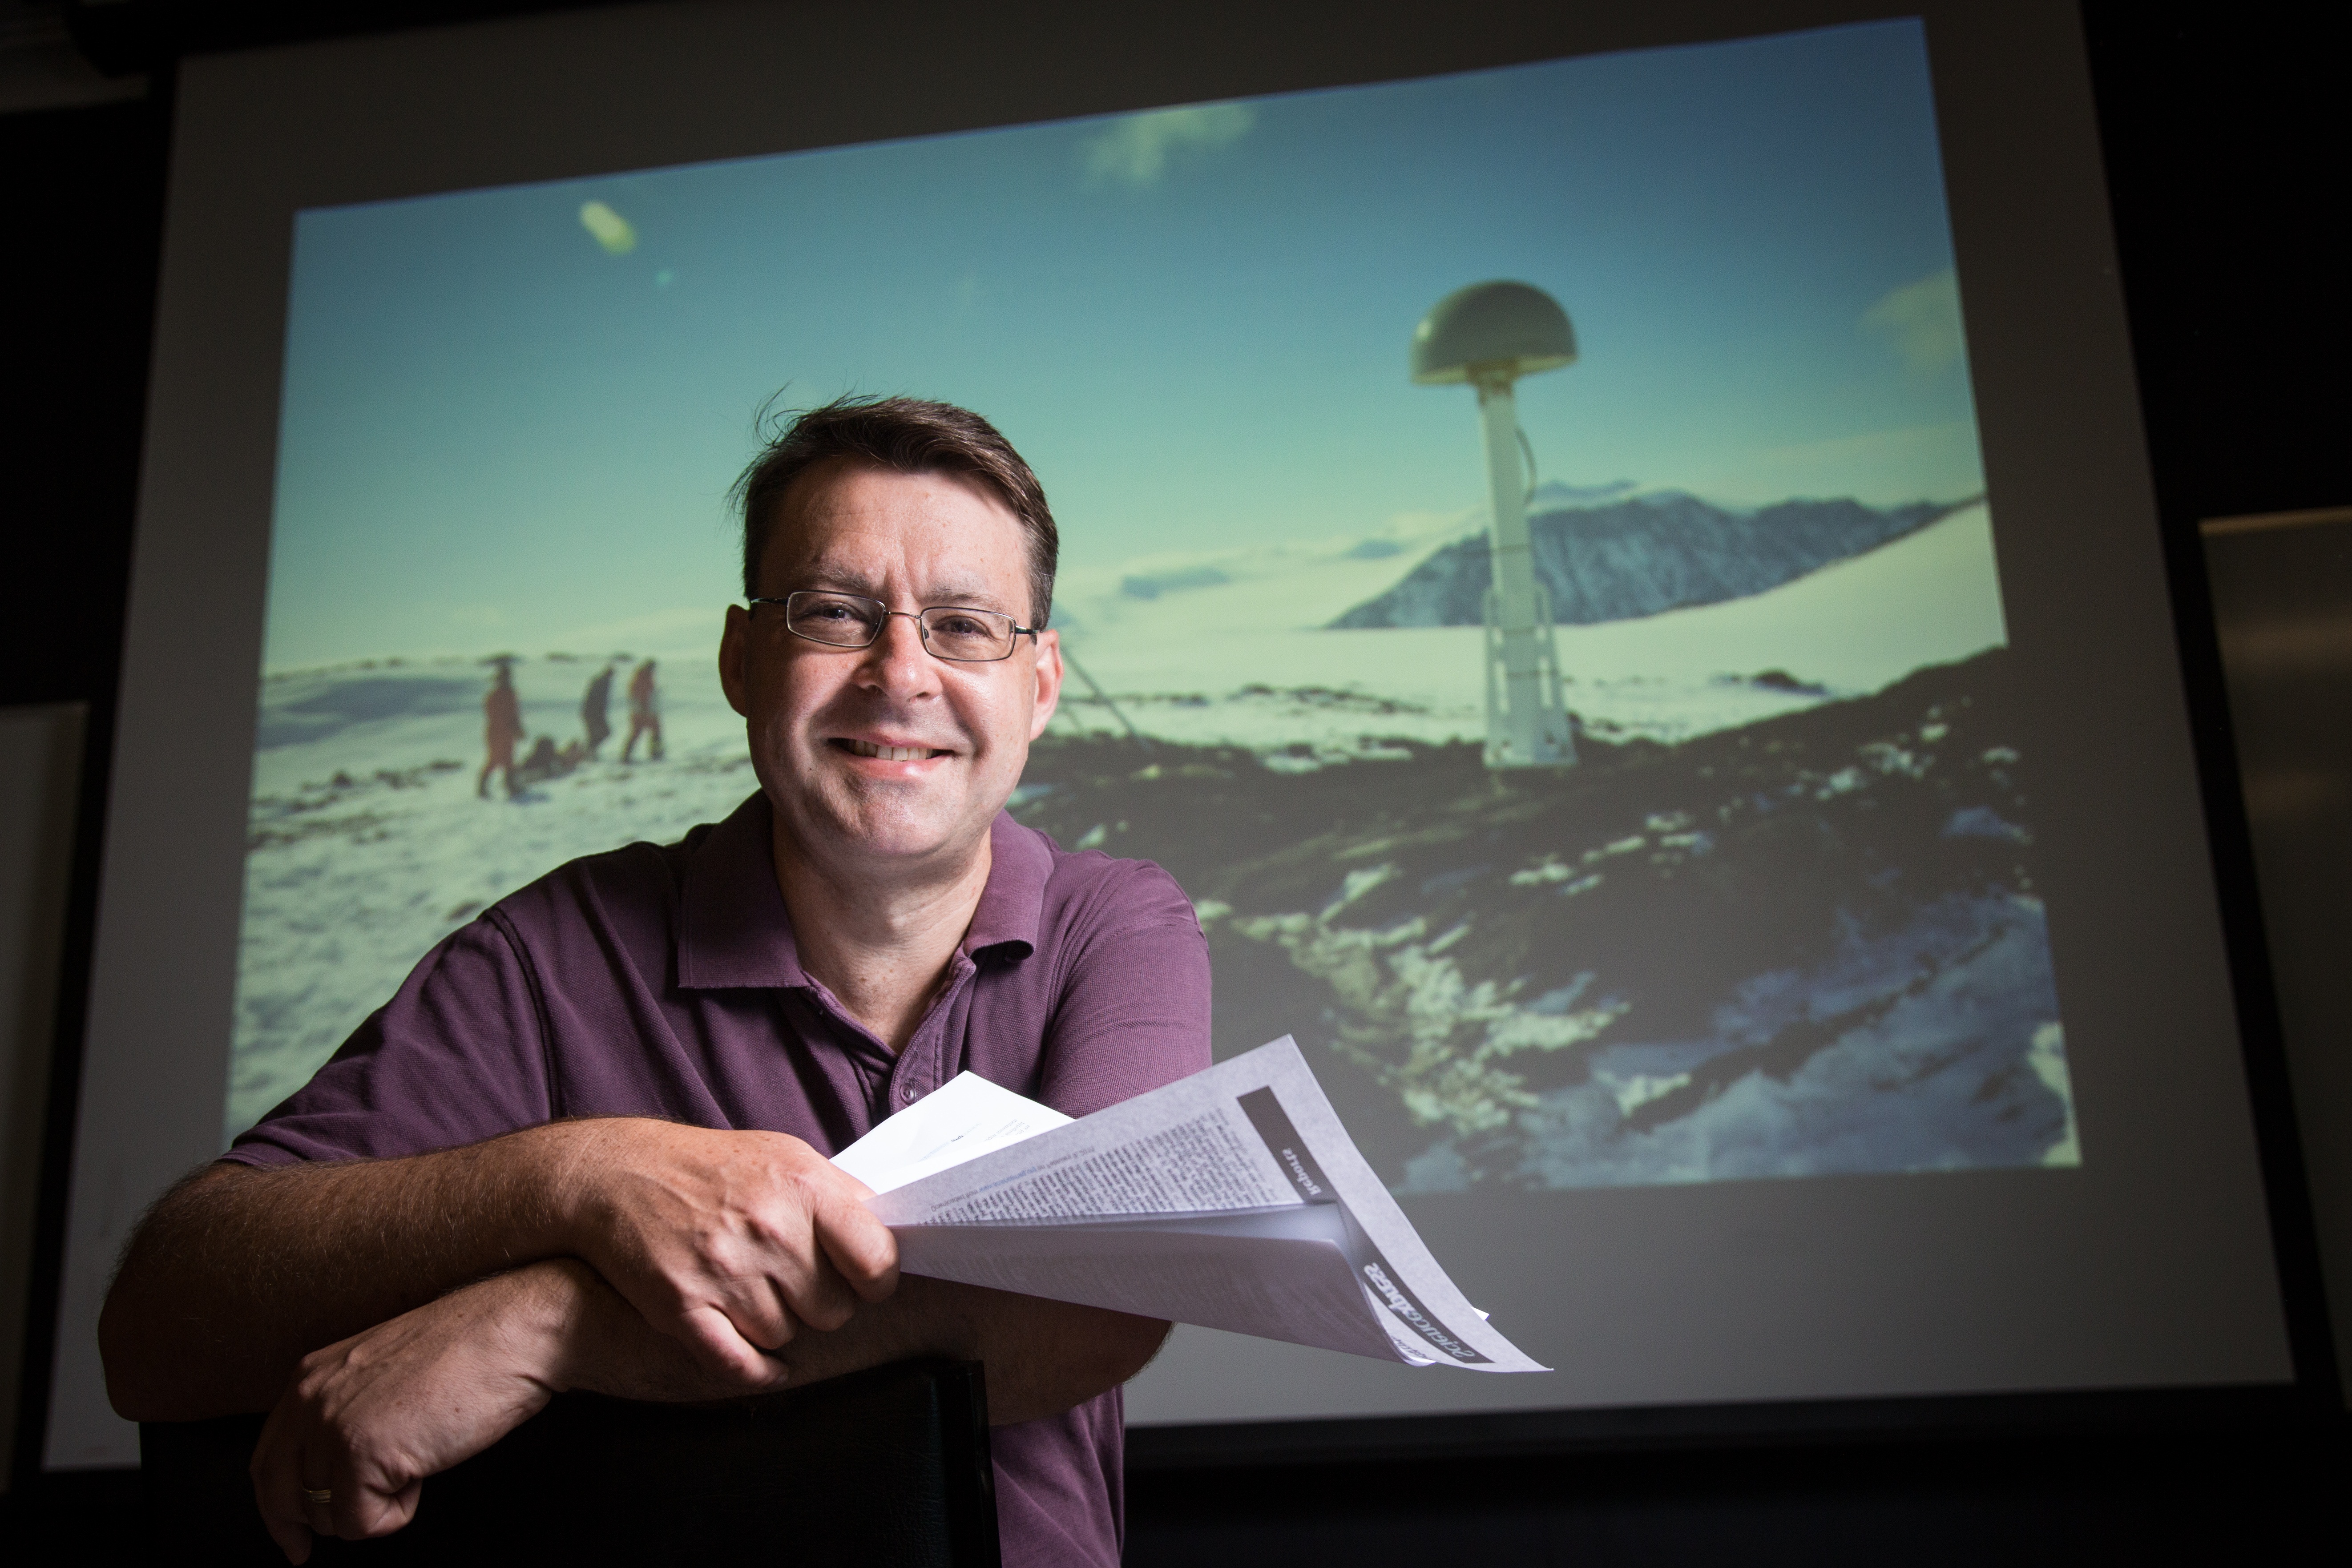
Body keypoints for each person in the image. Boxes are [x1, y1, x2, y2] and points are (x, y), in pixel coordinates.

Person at [99, 396, 1210, 1568]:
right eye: (833, 611)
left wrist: (553, 1323)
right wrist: (568, 1177)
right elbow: (159, 1325)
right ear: (742, 659)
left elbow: (1107, 1283)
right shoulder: (550, 951)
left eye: (963, 624)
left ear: (1037, 685)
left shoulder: (1114, 920)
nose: (898, 672)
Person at [475, 659, 524, 798]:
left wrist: (518, 729)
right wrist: (513, 727)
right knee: (494, 760)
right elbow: (495, 715)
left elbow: (515, 714)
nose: (507, 680)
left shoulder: (511, 694)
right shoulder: (494, 696)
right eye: (504, 678)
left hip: (506, 733)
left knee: (509, 760)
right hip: (497, 733)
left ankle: (511, 787)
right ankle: (483, 789)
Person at [621, 657, 663, 761]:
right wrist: (641, 708)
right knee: (638, 733)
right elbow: (634, 696)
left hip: (647, 712)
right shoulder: (641, 678)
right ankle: (627, 756)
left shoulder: (647, 677)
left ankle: (655, 753)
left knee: (654, 731)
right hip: (641, 712)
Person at [580, 663, 614, 758]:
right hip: (594, 713)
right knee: (603, 733)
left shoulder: (598, 681)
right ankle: (588, 753)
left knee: (597, 735)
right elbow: (597, 699)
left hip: (592, 712)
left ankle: (589, 752)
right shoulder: (603, 683)